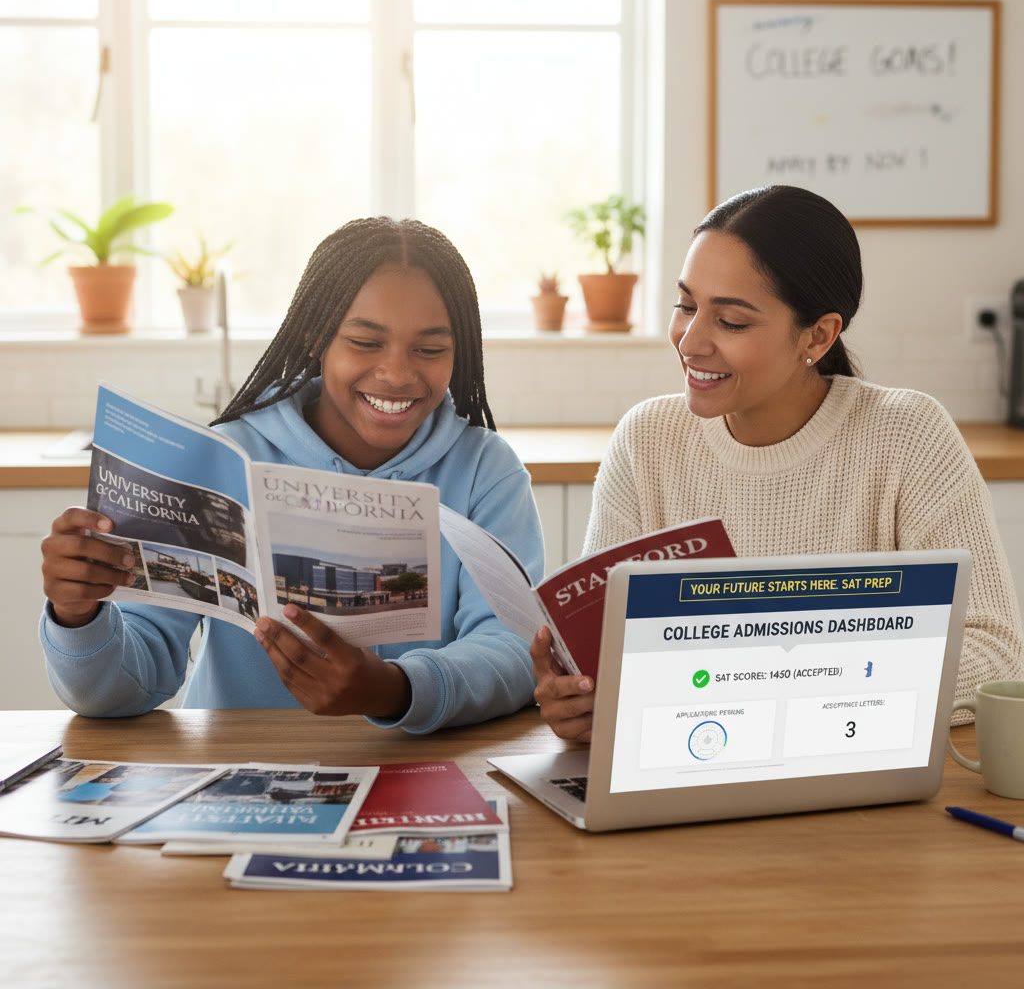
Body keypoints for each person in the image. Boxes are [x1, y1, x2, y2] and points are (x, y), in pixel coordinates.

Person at [532, 184, 1024, 741]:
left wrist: (772, 691)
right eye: (687, 305)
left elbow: (994, 654)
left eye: (732, 322)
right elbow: (607, 656)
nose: (690, 342)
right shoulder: (648, 440)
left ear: (817, 335)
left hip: (847, 764)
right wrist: (580, 699)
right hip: (689, 759)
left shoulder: (907, 436)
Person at [39, 217, 544, 734]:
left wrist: (397, 689)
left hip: (416, 771)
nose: (397, 373)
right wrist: (78, 616)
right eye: (365, 343)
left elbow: (517, 648)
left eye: (430, 349)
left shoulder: (486, 471)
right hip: (236, 777)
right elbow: (120, 688)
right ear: (316, 337)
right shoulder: (217, 461)